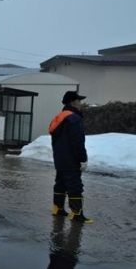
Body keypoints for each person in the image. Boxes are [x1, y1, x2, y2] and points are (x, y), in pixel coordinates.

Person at [49, 91, 91, 223]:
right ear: (73, 102)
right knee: (75, 185)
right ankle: (77, 214)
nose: (81, 104)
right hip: (71, 159)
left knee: (61, 183)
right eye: (79, 101)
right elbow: (78, 142)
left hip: (59, 158)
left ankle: (58, 208)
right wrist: (83, 159)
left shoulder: (59, 117)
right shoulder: (74, 118)